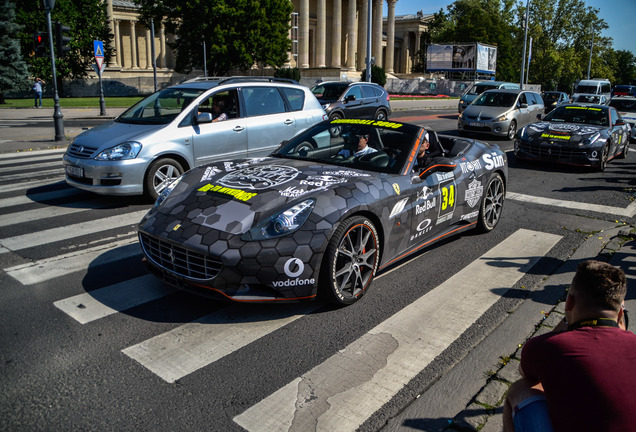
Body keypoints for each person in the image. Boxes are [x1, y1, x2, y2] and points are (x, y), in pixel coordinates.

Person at [503, 260, 636, 432]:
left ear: (569, 303)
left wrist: (568, 319)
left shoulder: (546, 347)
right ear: (620, 313)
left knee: (521, 389)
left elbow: (527, 374)